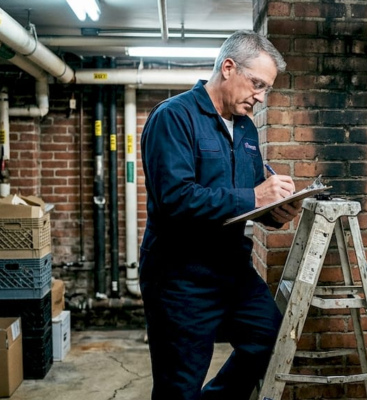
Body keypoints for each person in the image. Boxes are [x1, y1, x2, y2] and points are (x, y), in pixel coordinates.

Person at [138, 30, 300, 400]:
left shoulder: (245, 128)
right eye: (257, 84)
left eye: (266, 88)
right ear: (228, 68)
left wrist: (275, 212)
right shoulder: (174, 117)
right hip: (180, 276)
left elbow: (246, 195)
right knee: (179, 384)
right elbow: (175, 200)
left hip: (230, 268)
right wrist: (255, 196)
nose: (260, 96)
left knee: (269, 338)